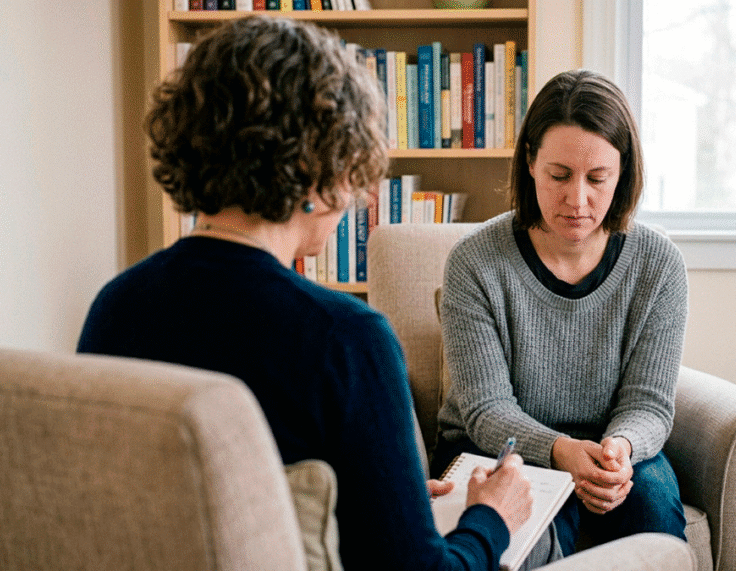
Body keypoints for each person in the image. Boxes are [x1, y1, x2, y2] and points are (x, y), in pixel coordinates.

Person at [77, 16, 532, 571]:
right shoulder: (344, 338)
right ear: (312, 171)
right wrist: (492, 518)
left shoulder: (115, 308)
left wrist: (394, 507)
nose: (362, 194)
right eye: (350, 166)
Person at [431, 69, 688, 558]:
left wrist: (619, 451)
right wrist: (560, 452)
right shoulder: (475, 260)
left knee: (654, 511)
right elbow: (486, 410)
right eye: (559, 175)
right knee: (541, 532)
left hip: (608, 446)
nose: (577, 200)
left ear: (624, 172)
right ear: (530, 162)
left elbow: (649, 405)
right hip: (496, 446)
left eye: (597, 179)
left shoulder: (659, 264)